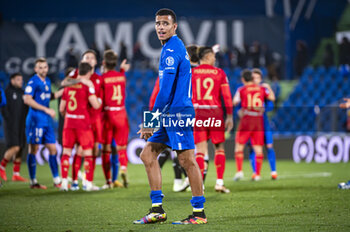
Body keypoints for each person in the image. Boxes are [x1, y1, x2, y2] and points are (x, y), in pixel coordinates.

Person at [134, 8, 206, 225]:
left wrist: (150, 122)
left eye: (165, 23)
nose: (160, 27)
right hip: (170, 113)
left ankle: (199, 213)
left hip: (178, 113)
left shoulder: (171, 51)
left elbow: (164, 92)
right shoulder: (172, 47)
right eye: (157, 23)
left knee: (187, 161)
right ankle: (157, 210)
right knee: (148, 155)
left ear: (174, 27)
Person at [192, 46, 233, 193]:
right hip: (215, 113)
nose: (215, 59)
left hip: (198, 114)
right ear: (208, 56)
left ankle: (199, 185)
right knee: (219, 148)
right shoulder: (219, 73)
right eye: (214, 56)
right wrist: (229, 115)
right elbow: (227, 97)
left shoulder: (192, 73)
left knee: (200, 151)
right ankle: (219, 182)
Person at [59, 62, 101, 191]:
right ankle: (88, 184)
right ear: (89, 73)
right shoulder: (87, 85)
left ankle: (65, 183)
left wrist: (70, 116)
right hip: (83, 124)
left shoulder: (68, 86)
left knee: (66, 153)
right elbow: (96, 105)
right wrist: (99, 100)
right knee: (87, 153)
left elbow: (61, 109)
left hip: (69, 124)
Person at [23, 58, 63, 189]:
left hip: (46, 121)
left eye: (45, 67)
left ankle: (57, 180)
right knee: (33, 149)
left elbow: (47, 96)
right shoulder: (33, 82)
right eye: (40, 67)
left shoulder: (47, 81)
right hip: (35, 119)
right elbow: (27, 99)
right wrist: (46, 109)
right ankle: (33, 181)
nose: (43, 69)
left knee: (53, 149)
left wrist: (62, 92)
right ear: (35, 69)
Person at [233, 70, 275, 181]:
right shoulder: (261, 89)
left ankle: (239, 171)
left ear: (243, 79)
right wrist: (268, 88)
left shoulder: (241, 89)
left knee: (239, 146)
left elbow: (235, 101)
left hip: (247, 119)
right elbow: (272, 98)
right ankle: (257, 174)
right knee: (258, 148)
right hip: (258, 120)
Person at [101, 49, 130, 188]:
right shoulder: (121, 77)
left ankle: (109, 181)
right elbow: (120, 78)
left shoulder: (102, 79)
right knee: (122, 146)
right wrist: (123, 70)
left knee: (106, 149)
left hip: (108, 114)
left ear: (103, 63)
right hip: (121, 113)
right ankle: (123, 168)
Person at [248, 68, 277, 180]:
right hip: (251, 125)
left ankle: (273, 171)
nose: (255, 80)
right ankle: (255, 172)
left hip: (264, 123)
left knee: (269, 146)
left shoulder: (263, 90)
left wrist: (268, 87)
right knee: (252, 148)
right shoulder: (247, 90)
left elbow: (271, 104)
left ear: (261, 79)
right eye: (253, 77)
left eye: (257, 77)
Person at [0, 73, 28, 182]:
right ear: (12, 80)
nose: (21, 81)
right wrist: (8, 120)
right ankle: (2, 167)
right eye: (18, 79)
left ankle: (16, 174)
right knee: (15, 147)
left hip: (21, 124)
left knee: (20, 148)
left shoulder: (23, 93)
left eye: (21, 79)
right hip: (11, 125)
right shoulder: (7, 93)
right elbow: (3, 108)